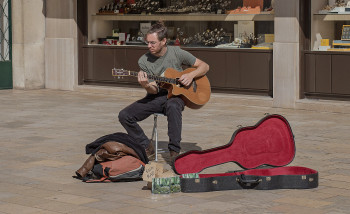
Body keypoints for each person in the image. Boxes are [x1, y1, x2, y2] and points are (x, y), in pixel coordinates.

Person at [118, 22, 209, 160]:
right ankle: (146, 145)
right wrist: (146, 86)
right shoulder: (144, 61)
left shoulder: (176, 53)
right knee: (124, 115)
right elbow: (153, 89)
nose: (149, 46)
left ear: (164, 41)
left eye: (153, 43)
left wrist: (190, 76)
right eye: (147, 42)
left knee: (173, 105)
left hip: (177, 96)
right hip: (156, 96)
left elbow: (204, 66)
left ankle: (174, 152)